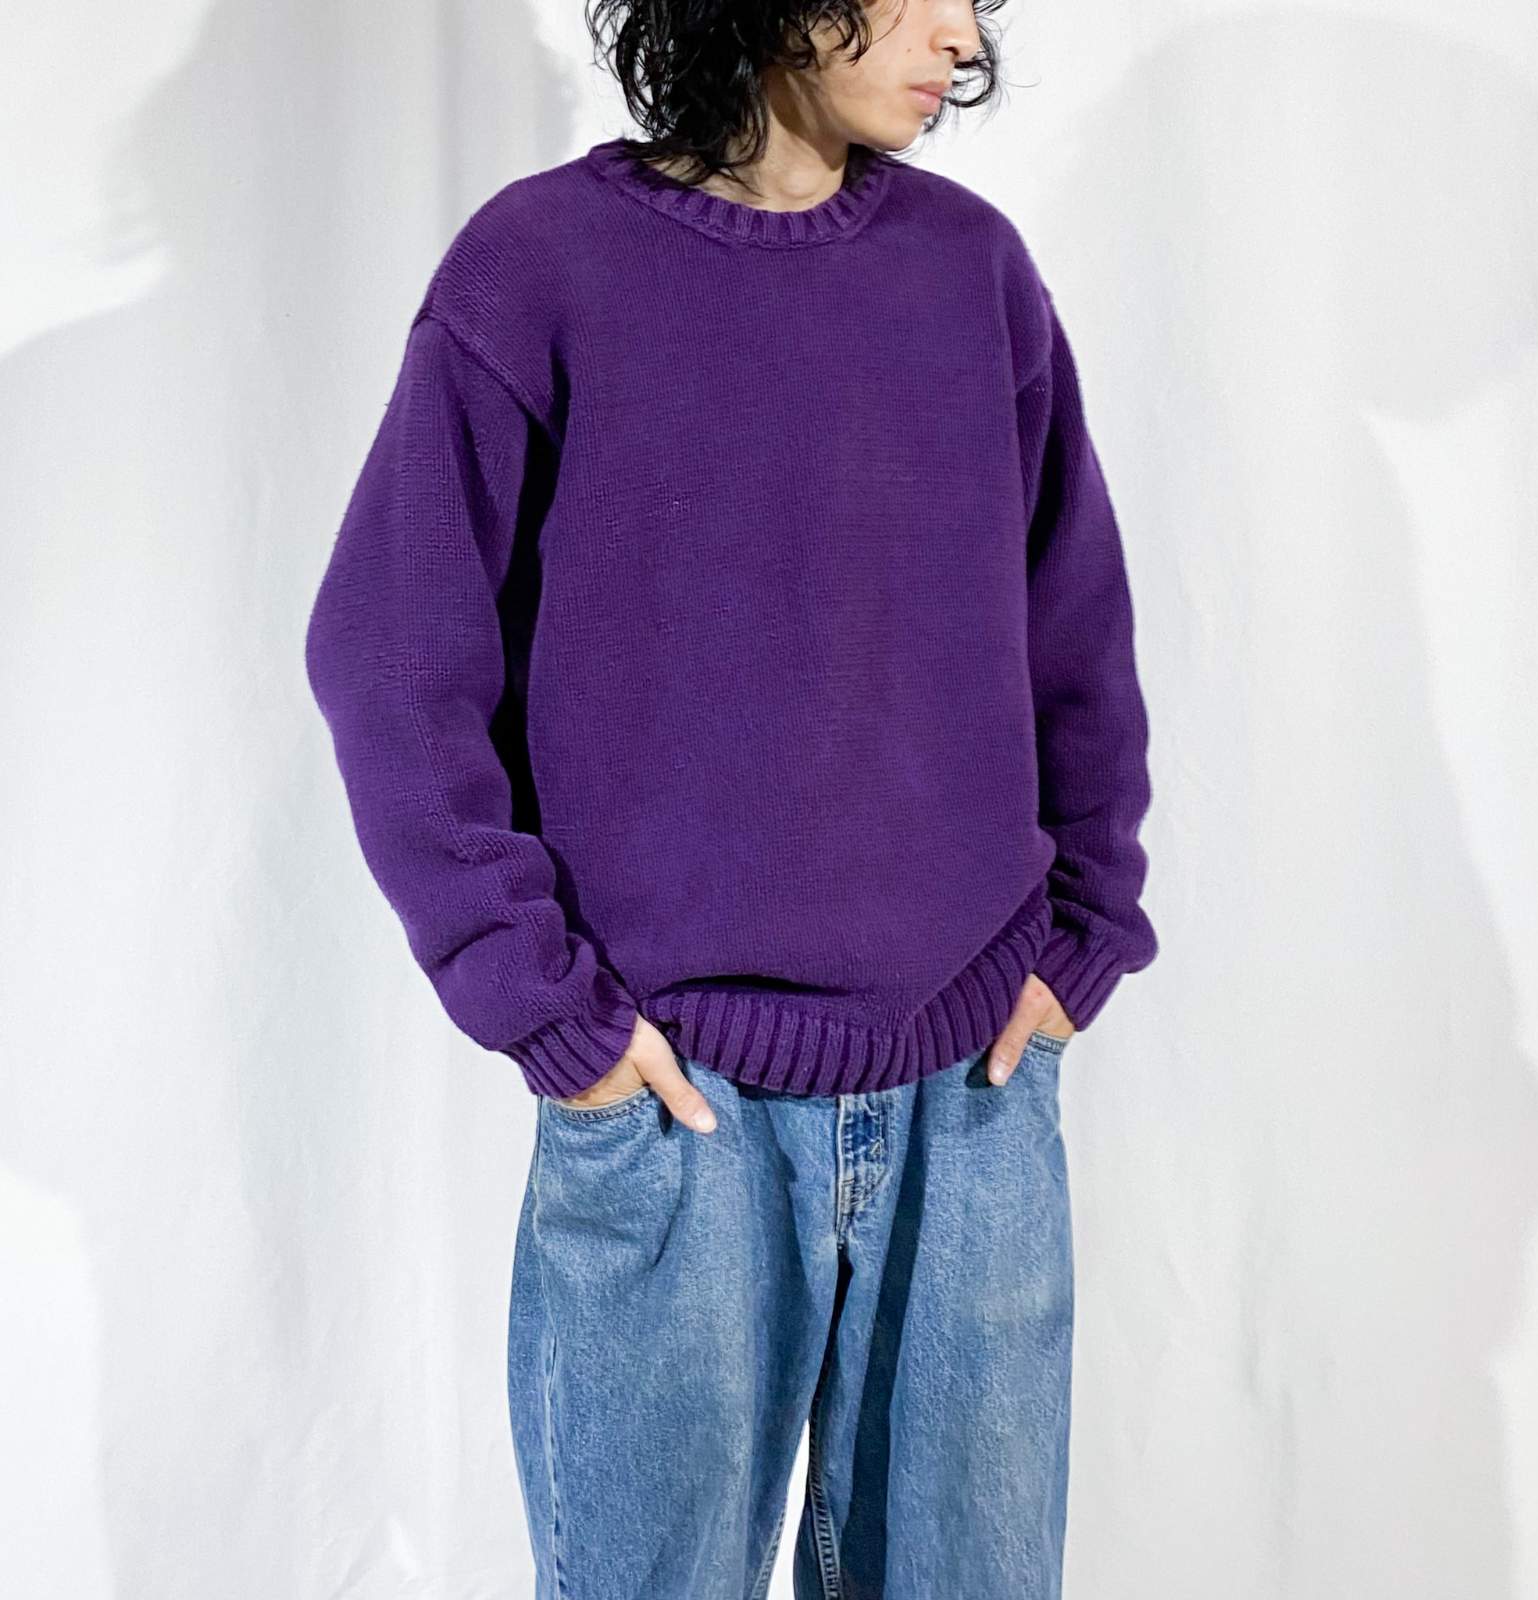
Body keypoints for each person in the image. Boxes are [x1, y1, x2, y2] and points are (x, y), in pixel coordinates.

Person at [304, 0, 1158, 1592]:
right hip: (670, 1097)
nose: (963, 37)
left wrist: (1086, 932)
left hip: (972, 1091)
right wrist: (542, 1006)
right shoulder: (540, 269)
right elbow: (393, 652)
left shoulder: (973, 273)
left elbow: (1076, 635)